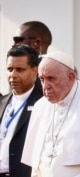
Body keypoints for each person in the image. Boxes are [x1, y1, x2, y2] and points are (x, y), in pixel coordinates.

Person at [0, 44, 43, 177]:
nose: (13, 75)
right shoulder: (2, 101)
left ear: (34, 70)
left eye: (20, 69)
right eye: (9, 69)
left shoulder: (44, 103)